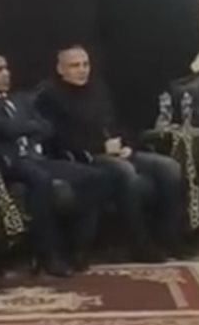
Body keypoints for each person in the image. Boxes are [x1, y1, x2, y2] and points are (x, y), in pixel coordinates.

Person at [0, 52, 109, 276]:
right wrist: (28, 127)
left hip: (35, 158)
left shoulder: (19, 100)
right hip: (6, 162)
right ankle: (47, 255)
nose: (6, 74)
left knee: (95, 177)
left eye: (7, 68)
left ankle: (77, 249)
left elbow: (47, 127)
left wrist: (26, 127)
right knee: (41, 180)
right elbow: (6, 129)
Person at [37, 45, 184, 262]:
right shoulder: (49, 97)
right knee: (126, 172)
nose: (82, 70)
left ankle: (170, 239)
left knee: (170, 167)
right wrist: (102, 148)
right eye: (75, 65)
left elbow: (117, 125)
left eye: (86, 64)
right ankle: (139, 244)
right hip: (85, 157)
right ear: (60, 69)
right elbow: (59, 139)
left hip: (118, 150)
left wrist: (127, 145)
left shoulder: (98, 89)